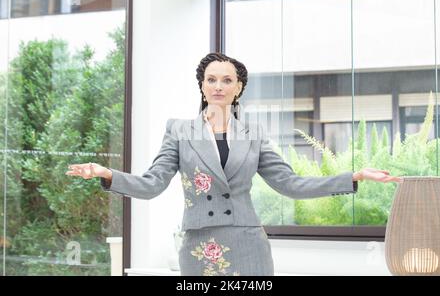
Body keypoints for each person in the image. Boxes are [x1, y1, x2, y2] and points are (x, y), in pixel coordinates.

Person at [66, 52, 402, 276]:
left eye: (227, 80)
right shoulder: (179, 130)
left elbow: (290, 184)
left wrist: (353, 176)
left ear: (239, 87)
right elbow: (153, 184)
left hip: (248, 243)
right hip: (199, 243)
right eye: (211, 79)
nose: (218, 86)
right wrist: (108, 174)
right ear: (201, 85)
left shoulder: (253, 133)